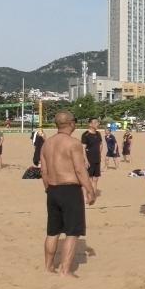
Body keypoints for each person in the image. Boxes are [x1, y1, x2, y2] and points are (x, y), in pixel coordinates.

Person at [40, 111, 96, 278]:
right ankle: (65, 271)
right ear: (71, 123)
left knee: (53, 232)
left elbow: (44, 171)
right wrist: (90, 190)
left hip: (52, 189)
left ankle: (48, 267)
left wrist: (48, 189)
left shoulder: (47, 144)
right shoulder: (73, 143)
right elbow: (79, 169)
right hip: (70, 189)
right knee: (72, 232)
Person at [80, 118, 105, 194]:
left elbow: (101, 144)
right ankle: (87, 195)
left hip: (97, 159)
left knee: (96, 178)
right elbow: (83, 148)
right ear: (90, 124)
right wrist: (86, 160)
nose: (98, 124)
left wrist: (99, 153)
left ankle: (93, 195)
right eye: (96, 122)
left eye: (98, 122)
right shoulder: (85, 135)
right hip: (89, 160)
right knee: (89, 178)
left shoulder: (98, 133)